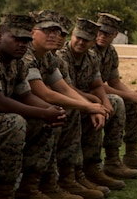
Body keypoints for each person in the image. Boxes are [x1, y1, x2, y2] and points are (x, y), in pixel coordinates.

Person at [24, 10, 107, 199]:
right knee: (56, 115)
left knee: (70, 110)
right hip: (17, 110)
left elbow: (64, 88)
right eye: (47, 30)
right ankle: (37, 184)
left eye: (58, 31)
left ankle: (68, 178)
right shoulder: (26, 55)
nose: (54, 36)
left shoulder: (48, 57)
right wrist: (88, 106)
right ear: (32, 32)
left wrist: (92, 107)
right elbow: (45, 93)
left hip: (27, 107)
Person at [57, 19, 137, 192]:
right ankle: (74, 172)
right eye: (78, 37)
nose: (80, 42)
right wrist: (93, 103)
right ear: (72, 35)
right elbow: (66, 89)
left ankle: (106, 162)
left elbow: (98, 84)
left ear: (91, 41)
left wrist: (105, 103)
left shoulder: (91, 56)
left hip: (86, 99)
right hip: (68, 101)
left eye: (86, 39)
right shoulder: (62, 55)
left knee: (115, 102)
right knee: (80, 111)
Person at [0, 14, 67, 198]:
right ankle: (3, 192)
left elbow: (25, 95)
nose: (22, 44)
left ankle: (30, 186)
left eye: (26, 40)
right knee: (14, 122)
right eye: (16, 39)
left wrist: (51, 111)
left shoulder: (17, 63)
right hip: (2, 116)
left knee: (47, 121)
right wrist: (43, 112)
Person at [94, 12, 137, 171]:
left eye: (107, 33)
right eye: (99, 31)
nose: (102, 35)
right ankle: (111, 159)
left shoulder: (110, 52)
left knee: (132, 102)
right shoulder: (90, 49)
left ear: (115, 35)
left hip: (100, 93)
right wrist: (128, 95)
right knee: (119, 100)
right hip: (87, 93)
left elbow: (114, 81)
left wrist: (134, 97)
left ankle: (131, 154)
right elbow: (97, 85)